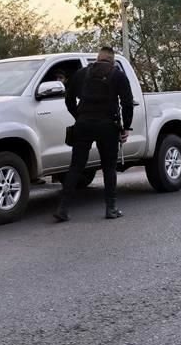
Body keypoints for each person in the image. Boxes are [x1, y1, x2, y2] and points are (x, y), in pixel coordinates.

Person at [55, 47, 134, 222]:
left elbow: (68, 99)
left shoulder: (82, 73)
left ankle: (63, 209)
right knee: (109, 167)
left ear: (97, 58)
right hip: (108, 126)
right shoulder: (118, 75)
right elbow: (127, 103)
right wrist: (125, 127)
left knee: (76, 166)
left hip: (84, 124)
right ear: (112, 61)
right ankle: (111, 208)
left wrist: (79, 116)